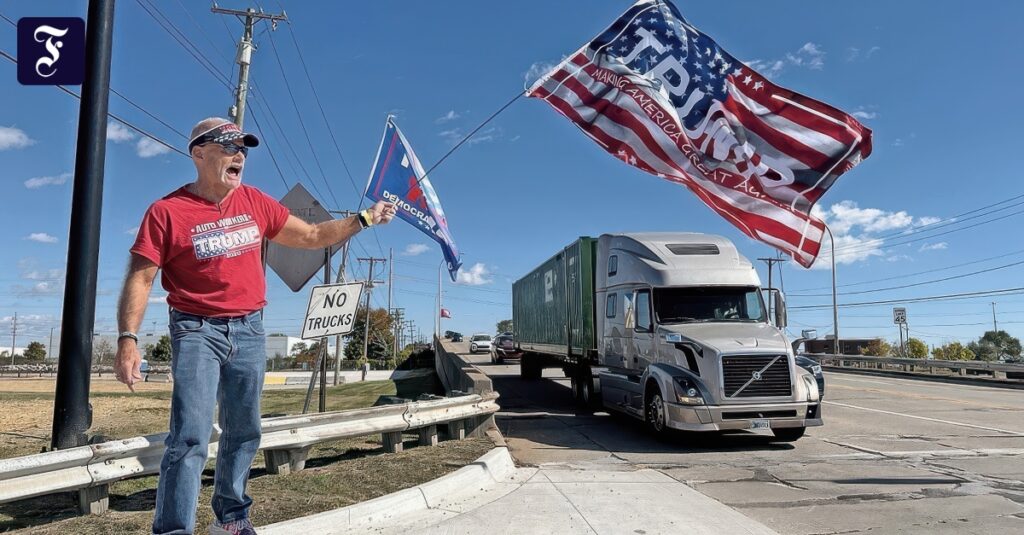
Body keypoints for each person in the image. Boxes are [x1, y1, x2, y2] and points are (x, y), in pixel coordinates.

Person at [113, 117, 396, 535]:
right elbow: (141, 277)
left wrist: (365, 219)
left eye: (243, 147)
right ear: (199, 153)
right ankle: (174, 529)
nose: (239, 154)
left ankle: (230, 520)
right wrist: (127, 339)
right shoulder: (166, 212)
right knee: (190, 435)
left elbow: (314, 234)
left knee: (244, 430)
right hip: (196, 330)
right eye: (229, 145)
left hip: (249, 330)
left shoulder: (256, 202)